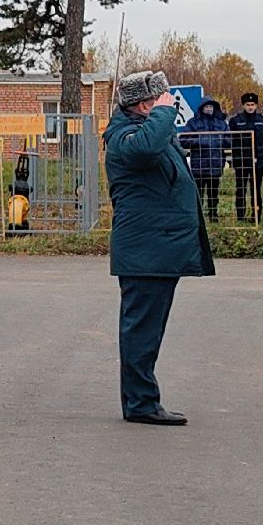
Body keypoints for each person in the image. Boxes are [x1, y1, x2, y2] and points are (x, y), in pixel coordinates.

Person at [103, 70, 213, 427]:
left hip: (157, 248)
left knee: (148, 330)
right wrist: (164, 114)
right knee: (141, 330)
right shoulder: (124, 136)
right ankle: (140, 403)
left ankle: (142, 399)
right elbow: (146, 149)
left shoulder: (147, 129)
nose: (170, 106)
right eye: (163, 100)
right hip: (144, 252)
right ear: (144, 104)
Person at [177, 98, 230, 221]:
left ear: (215, 108)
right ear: (201, 108)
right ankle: (198, 217)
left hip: (215, 164)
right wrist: (202, 140)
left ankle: (213, 215)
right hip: (199, 165)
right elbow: (184, 141)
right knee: (198, 193)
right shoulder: (193, 123)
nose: (209, 109)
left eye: (211, 107)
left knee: (213, 193)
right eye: (206, 107)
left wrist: (218, 141)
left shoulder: (221, 123)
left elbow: (229, 139)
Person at [226, 93, 263, 222]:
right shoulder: (236, 121)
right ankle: (241, 216)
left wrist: (260, 154)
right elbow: (233, 140)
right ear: (243, 105)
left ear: (256, 105)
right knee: (241, 189)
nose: (250, 107)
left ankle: (256, 216)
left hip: (258, 161)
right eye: (247, 105)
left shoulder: (262, 120)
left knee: (256, 189)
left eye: (252, 105)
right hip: (241, 160)